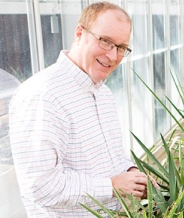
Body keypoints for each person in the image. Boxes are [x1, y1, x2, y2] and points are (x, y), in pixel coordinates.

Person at [9, 2, 159, 217]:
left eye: (121, 47)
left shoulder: (102, 93)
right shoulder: (43, 95)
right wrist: (114, 186)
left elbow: (111, 156)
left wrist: (131, 173)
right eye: (106, 41)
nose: (113, 56)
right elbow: (40, 187)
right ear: (80, 33)